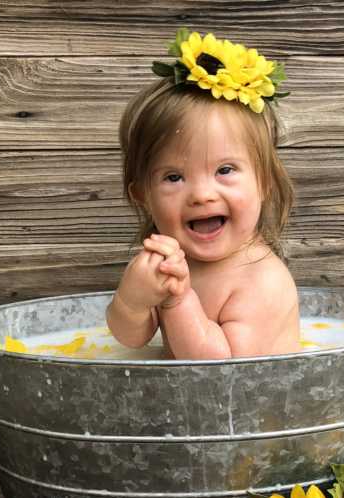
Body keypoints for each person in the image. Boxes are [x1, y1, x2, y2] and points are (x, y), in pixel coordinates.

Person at [106, 30, 300, 359]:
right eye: (174, 177)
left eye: (225, 170)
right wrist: (132, 301)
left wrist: (178, 300)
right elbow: (131, 339)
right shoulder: (176, 264)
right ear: (143, 195)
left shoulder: (262, 280)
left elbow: (221, 373)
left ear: (265, 181)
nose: (201, 195)